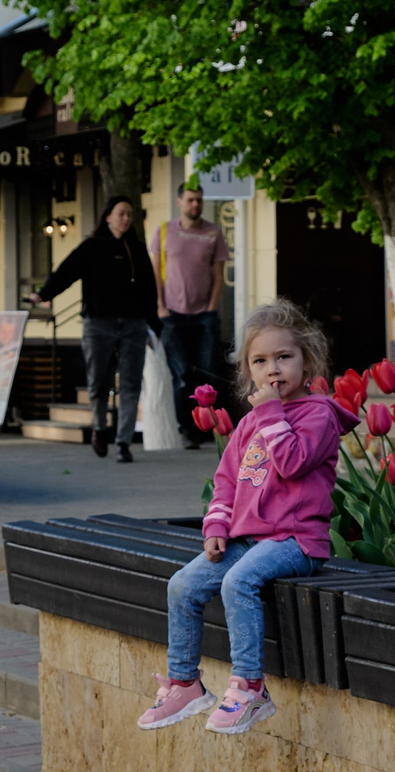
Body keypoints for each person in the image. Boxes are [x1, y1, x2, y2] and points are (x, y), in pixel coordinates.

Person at [140, 299, 353, 736]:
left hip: (295, 541)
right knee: (181, 585)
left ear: (307, 361)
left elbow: (293, 462)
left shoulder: (319, 415)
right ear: (248, 372)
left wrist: (271, 412)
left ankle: (250, 687)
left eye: (284, 357)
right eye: (260, 361)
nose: (273, 369)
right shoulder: (249, 425)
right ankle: (184, 683)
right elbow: (226, 481)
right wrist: (216, 526)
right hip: (245, 539)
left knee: (239, 582)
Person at [29, 196, 157, 463]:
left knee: (131, 383)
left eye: (129, 215)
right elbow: (66, 272)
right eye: (121, 213)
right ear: (108, 216)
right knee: (98, 382)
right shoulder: (92, 247)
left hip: (133, 324)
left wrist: (154, 324)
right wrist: (44, 294)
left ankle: (123, 442)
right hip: (99, 324)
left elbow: (149, 288)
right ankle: (99, 427)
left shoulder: (137, 248)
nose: (126, 219)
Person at [155, 181, 231, 443]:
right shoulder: (164, 231)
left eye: (199, 200)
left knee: (208, 373)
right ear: (179, 202)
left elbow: (219, 275)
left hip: (205, 315)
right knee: (182, 375)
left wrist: (212, 307)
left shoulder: (213, 233)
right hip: (172, 315)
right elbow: (155, 272)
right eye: (190, 200)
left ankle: (211, 428)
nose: (195, 204)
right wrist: (160, 306)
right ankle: (187, 429)